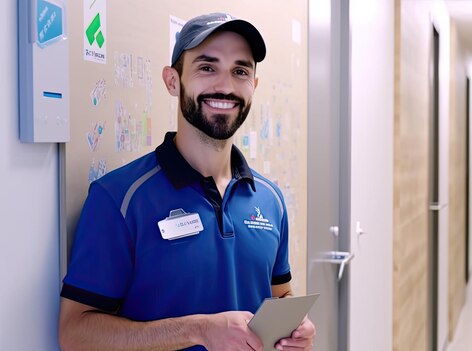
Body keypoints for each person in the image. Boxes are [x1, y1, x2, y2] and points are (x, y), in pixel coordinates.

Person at [58, 12, 315, 351]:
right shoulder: (119, 198)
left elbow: (279, 294)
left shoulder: (270, 199)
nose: (225, 86)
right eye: (207, 67)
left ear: (253, 85)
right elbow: (75, 333)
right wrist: (198, 330)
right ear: (172, 81)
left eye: (240, 71)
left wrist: (296, 331)